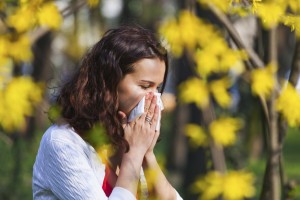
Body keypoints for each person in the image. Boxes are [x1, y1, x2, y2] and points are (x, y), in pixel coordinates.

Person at [32, 25, 183, 200]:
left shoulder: (125, 141)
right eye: (145, 86)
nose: (154, 98)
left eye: (158, 88)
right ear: (110, 82)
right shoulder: (62, 143)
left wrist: (146, 154)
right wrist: (133, 155)